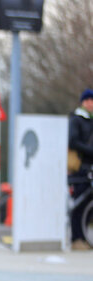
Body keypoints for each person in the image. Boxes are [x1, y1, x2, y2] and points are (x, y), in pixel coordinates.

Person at [68, 88, 93, 250]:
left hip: (90, 166)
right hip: (79, 168)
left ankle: (84, 237)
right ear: (84, 102)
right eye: (89, 100)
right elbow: (73, 141)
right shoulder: (76, 119)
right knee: (79, 203)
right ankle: (76, 238)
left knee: (87, 203)